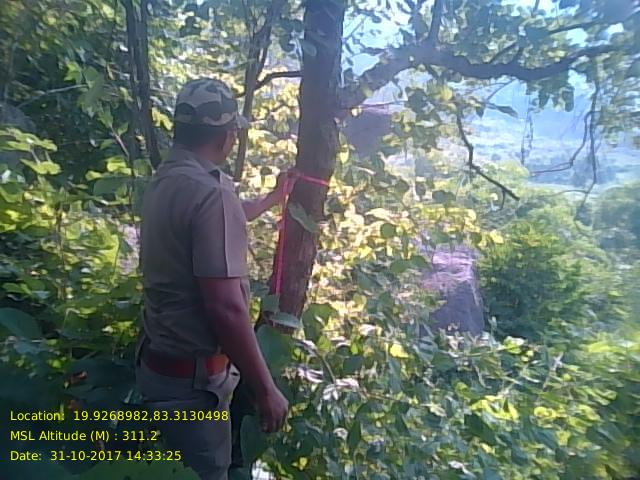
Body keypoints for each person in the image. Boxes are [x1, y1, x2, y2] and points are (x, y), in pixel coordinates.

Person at [135, 77, 291, 480]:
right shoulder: (210, 193)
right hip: (192, 387)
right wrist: (266, 389)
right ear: (227, 136)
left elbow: (221, 217)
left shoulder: (168, 178)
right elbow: (225, 307)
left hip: (160, 368)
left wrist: (273, 198)